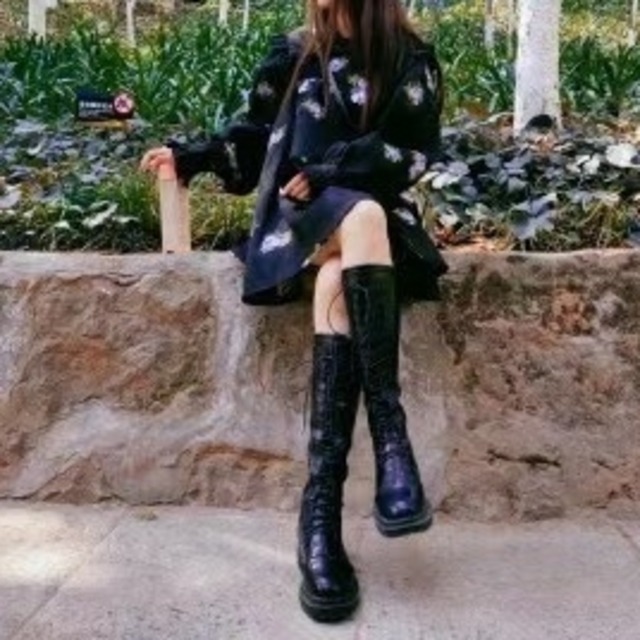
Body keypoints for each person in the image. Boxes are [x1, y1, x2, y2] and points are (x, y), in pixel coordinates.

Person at [140, 0, 448, 624]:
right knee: (357, 220)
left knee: (351, 246)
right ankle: (391, 441)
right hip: (298, 222)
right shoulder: (293, 54)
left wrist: (330, 169)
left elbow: (412, 154)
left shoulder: (409, 59)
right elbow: (254, 139)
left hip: (376, 233)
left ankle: (319, 521)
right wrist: (191, 157)